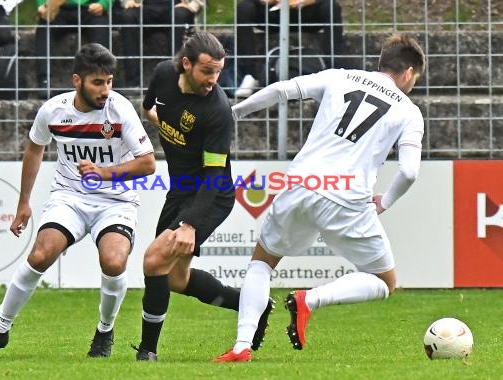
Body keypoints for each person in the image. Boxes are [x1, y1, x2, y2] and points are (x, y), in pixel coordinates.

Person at [214, 33, 425, 362]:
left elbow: (282, 90)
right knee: (384, 281)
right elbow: (409, 171)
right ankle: (309, 300)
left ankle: (242, 346)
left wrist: (235, 113)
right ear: (409, 73)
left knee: (262, 262)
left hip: (301, 183)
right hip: (347, 196)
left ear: (382, 61)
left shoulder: (339, 76)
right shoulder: (409, 112)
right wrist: (385, 202)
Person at [0, 43, 156, 358]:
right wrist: (24, 203)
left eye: (109, 81)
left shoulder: (119, 109)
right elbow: (35, 148)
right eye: (98, 82)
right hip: (70, 197)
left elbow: (148, 163)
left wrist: (103, 173)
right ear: (77, 80)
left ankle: (104, 332)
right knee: (40, 254)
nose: (106, 90)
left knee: (114, 261)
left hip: (115, 202)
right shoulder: (53, 110)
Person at [130, 31, 272, 362]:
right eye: (206, 71)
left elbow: (212, 176)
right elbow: (149, 108)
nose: (213, 80)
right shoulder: (164, 74)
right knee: (177, 279)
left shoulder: (217, 111)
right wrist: (173, 132)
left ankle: (147, 352)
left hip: (211, 196)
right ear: (185, 64)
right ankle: (255, 304)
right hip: (179, 190)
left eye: (218, 72)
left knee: (154, 261)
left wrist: (191, 225)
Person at [235, 0, 345, 98]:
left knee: (331, 7)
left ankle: (334, 72)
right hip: (273, 13)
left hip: (305, 13)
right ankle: (250, 74)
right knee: (244, 8)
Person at [114, 0, 204, 89]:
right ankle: (133, 83)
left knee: (179, 15)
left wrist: (192, 5)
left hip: (176, 7)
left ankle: (173, 80)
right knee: (128, 16)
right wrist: (127, 1)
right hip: (143, 7)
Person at [35, 0, 112, 99]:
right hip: (58, 8)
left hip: (90, 9)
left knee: (101, 27)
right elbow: (43, 9)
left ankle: (102, 79)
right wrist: (42, 5)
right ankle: (44, 80)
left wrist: (104, 4)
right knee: (44, 28)